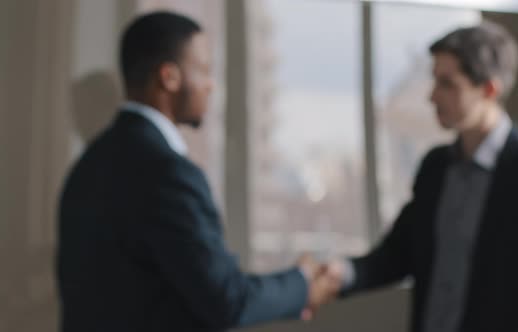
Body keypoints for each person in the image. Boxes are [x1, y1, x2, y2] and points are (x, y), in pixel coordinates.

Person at [57, 11, 337, 332]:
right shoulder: (167, 174)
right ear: (169, 77)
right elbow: (228, 301)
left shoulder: (87, 165)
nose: (211, 85)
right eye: (204, 70)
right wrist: (303, 283)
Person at [319, 21, 518, 332]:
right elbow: (396, 255)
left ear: (489, 89)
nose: (432, 96)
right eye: (434, 81)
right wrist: (343, 272)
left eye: (447, 84)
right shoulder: (435, 167)